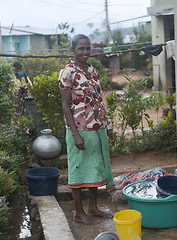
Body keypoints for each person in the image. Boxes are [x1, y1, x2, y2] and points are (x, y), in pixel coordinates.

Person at [58, 34, 115, 225]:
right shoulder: (67, 73)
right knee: (79, 169)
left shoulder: (93, 71)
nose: (85, 52)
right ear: (72, 50)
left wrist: (108, 126)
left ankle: (92, 208)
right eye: (81, 48)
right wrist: (75, 134)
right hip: (80, 130)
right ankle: (79, 213)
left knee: (94, 167)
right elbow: (66, 106)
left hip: (97, 127)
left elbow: (99, 100)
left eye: (88, 48)